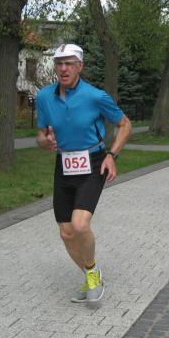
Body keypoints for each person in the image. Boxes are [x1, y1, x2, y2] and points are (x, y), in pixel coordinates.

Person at [36, 44, 132, 305]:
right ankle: (93, 275)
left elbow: (125, 124)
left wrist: (112, 155)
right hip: (64, 164)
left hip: (93, 162)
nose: (63, 68)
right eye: (59, 63)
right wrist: (45, 142)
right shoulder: (44, 97)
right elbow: (41, 135)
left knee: (79, 225)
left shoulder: (95, 96)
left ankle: (91, 273)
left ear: (80, 66)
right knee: (66, 233)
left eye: (69, 63)